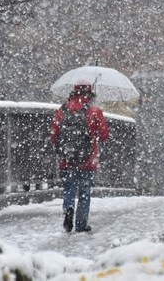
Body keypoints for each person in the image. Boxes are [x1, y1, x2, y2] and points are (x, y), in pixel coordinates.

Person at [50, 82, 109, 233]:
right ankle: (81, 225)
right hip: (87, 160)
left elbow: (54, 135)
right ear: (90, 94)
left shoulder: (61, 111)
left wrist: (63, 149)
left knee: (68, 187)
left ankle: (68, 206)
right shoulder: (94, 111)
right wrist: (93, 133)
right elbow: (104, 135)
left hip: (67, 159)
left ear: (73, 92)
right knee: (84, 193)